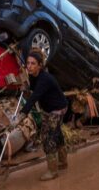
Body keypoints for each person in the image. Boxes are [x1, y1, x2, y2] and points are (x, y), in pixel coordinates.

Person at [20, 49, 68, 181]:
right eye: (28, 63)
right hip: (50, 108)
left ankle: (53, 171)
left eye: (33, 63)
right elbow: (33, 91)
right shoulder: (32, 75)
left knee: (47, 137)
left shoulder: (44, 79)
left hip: (57, 109)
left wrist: (22, 113)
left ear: (40, 66)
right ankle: (63, 162)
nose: (29, 66)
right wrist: (26, 88)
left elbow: (35, 96)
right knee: (56, 133)